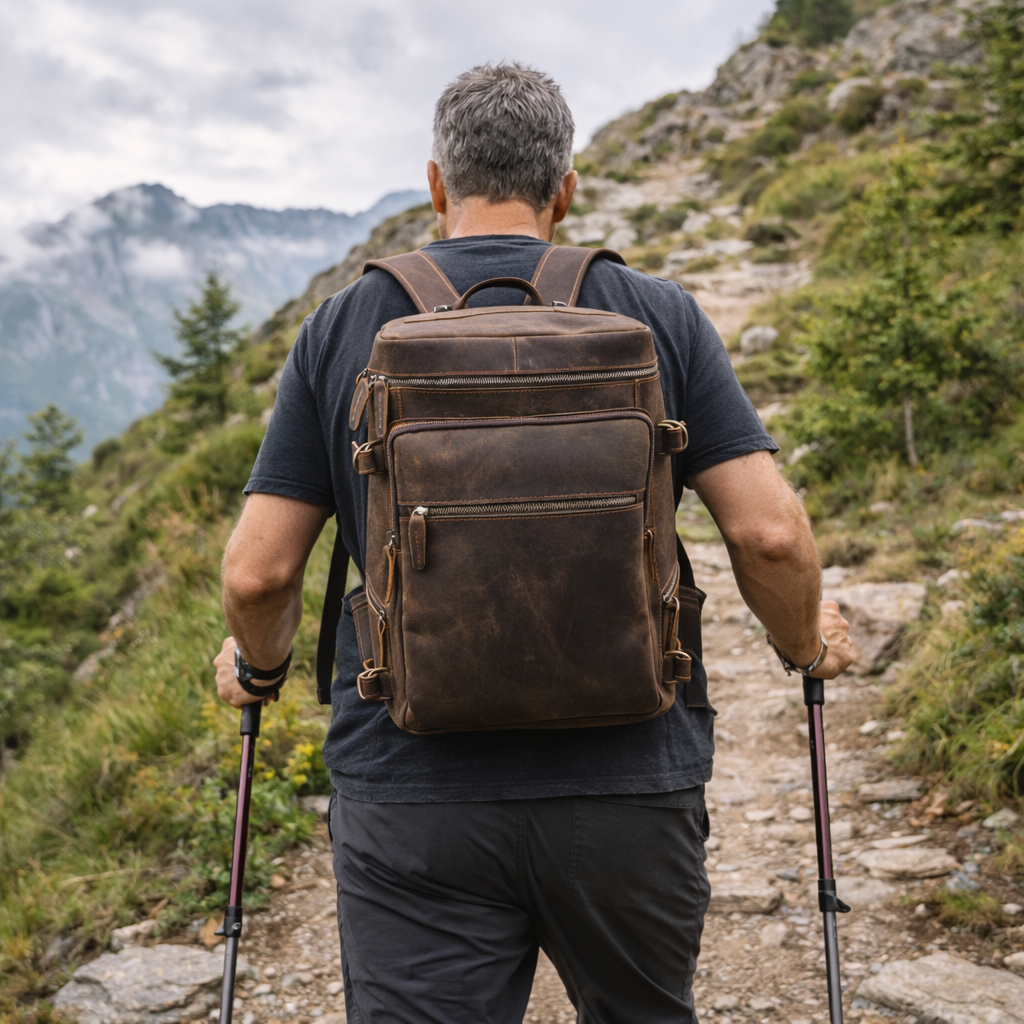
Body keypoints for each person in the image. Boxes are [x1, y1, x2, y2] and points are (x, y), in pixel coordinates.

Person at [214, 62, 853, 1024]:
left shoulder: (344, 325)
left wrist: (258, 671)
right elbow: (768, 535)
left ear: (438, 185)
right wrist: (806, 643)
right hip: (630, 780)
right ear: (566, 189)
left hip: (411, 797)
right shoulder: (656, 312)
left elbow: (259, 574)